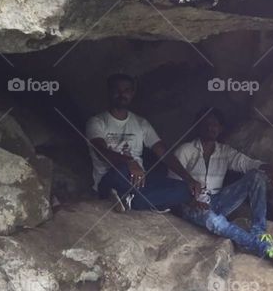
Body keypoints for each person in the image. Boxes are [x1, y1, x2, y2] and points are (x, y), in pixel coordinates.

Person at [170, 108, 273, 267]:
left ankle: (259, 231)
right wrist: (190, 200)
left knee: (256, 176)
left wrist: (271, 169)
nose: (210, 127)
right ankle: (267, 248)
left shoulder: (224, 151)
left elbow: (248, 163)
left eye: (215, 124)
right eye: (206, 123)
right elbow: (172, 185)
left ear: (221, 128)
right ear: (198, 126)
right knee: (216, 222)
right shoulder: (185, 150)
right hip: (192, 205)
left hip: (217, 201)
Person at [86, 73, 202, 212]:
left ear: (133, 93)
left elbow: (163, 153)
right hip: (111, 179)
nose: (122, 94)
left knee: (184, 189)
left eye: (126, 90)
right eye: (117, 90)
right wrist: (129, 162)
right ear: (109, 92)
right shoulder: (97, 122)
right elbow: (101, 152)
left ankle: (133, 200)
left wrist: (188, 179)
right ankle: (135, 199)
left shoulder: (141, 123)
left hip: (139, 181)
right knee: (122, 170)